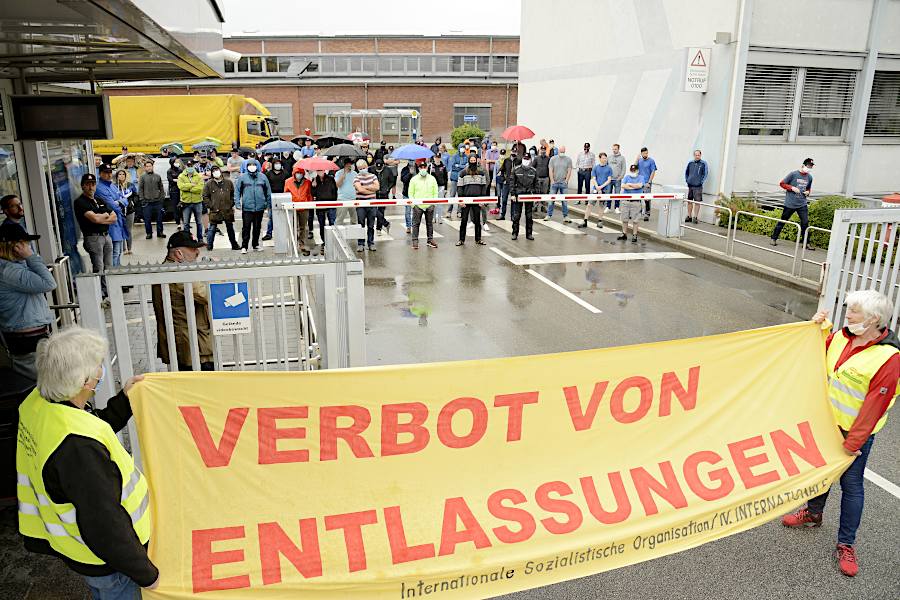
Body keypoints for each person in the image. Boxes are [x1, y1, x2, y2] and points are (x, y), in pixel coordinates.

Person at [17, 326, 158, 599]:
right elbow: (104, 523)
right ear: (85, 382)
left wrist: (124, 400)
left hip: (77, 548)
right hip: (111, 564)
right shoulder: (78, 448)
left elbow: (88, 427)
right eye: (98, 366)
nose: (101, 370)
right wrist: (147, 574)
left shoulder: (38, 405)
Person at [782, 290, 898, 577]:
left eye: (854, 310)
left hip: (853, 434)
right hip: (825, 423)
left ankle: (846, 543)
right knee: (821, 472)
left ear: (873, 319)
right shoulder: (842, 337)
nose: (847, 314)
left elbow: (875, 405)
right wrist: (816, 328)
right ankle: (813, 513)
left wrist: (853, 442)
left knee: (852, 485)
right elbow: (816, 353)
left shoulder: (889, 357)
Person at [151, 231, 212, 371]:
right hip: (191, 345)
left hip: (185, 343)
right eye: (192, 249)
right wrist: (216, 275)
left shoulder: (167, 268)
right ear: (179, 254)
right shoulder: (177, 274)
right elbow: (207, 295)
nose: (197, 253)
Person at [0, 226, 55, 380]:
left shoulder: (13, 267)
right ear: (15, 246)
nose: (29, 248)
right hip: (27, 340)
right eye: (25, 244)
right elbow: (49, 283)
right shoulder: (10, 272)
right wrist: (31, 257)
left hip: (27, 338)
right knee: (44, 386)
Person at [75, 172, 114, 298]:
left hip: (106, 235)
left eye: (93, 184)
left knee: (108, 265)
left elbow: (114, 217)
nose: (91, 187)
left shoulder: (99, 200)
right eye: (88, 184)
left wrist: (102, 217)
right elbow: (94, 219)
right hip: (93, 237)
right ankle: (100, 292)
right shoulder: (80, 202)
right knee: (99, 266)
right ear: (83, 186)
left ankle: (108, 289)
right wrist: (104, 216)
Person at [771, 158, 815, 250]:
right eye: (808, 166)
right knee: (783, 221)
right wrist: (791, 188)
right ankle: (774, 238)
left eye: (811, 167)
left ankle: (806, 243)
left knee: (805, 223)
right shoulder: (793, 174)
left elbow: (808, 188)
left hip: (802, 204)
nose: (809, 168)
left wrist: (808, 192)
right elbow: (782, 183)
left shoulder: (809, 177)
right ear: (803, 166)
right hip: (790, 204)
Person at [234, 159, 271, 254]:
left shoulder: (263, 177)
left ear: (257, 166)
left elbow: (268, 191)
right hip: (247, 207)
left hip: (260, 207)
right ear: (246, 166)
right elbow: (237, 191)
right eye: (249, 165)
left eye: (253, 164)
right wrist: (237, 203)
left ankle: (255, 245)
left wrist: (268, 203)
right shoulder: (242, 177)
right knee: (246, 227)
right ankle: (244, 246)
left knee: (257, 227)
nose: (252, 166)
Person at [203, 166, 240, 251]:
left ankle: (234, 245)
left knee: (230, 227)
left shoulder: (228, 182)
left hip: (227, 209)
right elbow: (205, 196)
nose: (216, 172)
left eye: (217, 170)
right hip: (215, 210)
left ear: (220, 171)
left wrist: (231, 204)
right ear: (212, 174)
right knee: (212, 228)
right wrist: (211, 205)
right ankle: (209, 245)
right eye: (214, 171)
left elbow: (232, 195)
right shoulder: (209, 184)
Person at [456, 154, 488, 247]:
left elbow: (483, 187)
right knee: (464, 220)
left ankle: (478, 239)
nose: (473, 162)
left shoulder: (481, 173)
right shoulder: (463, 173)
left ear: (476, 161)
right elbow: (460, 187)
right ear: (469, 161)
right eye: (471, 160)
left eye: (474, 161)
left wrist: (482, 200)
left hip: (477, 200)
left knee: (477, 220)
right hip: (466, 200)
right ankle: (461, 240)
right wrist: (461, 200)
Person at [408, 159, 438, 250]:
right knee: (416, 224)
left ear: (427, 167)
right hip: (418, 206)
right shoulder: (414, 179)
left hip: (429, 205)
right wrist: (414, 205)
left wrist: (433, 204)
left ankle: (430, 240)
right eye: (421, 167)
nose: (423, 169)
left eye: (424, 167)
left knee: (429, 224)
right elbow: (410, 193)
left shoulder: (432, 178)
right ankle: (415, 241)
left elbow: (435, 192)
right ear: (419, 168)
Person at [283, 164, 312, 255]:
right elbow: (285, 194)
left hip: (304, 207)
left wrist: (309, 204)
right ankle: (294, 243)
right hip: (293, 207)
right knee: (293, 227)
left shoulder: (307, 182)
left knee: (303, 227)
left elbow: (309, 194)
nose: (299, 174)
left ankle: (302, 244)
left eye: (301, 173)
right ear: (294, 173)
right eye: (297, 173)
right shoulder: (288, 181)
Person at [353, 159, 379, 252]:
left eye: (363, 168)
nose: (362, 170)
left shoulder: (373, 176)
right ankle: (360, 244)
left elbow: (377, 187)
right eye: (360, 168)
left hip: (372, 203)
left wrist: (365, 187)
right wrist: (370, 189)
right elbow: (360, 190)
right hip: (361, 203)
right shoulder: (356, 177)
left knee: (371, 225)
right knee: (361, 224)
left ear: (367, 167)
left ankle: (371, 243)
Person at [510, 153, 537, 241]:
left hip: (529, 195)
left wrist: (535, 194)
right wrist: (513, 194)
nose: (526, 160)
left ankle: (529, 234)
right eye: (524, 158)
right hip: (518, 194)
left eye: (527, 159)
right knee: (516, 215)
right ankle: (514, 233)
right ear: (522, 159)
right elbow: (512, 183)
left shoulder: (533, 171)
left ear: (530, 160)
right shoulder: (516, 169)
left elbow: (536, 184)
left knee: (529, 216)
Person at [262, 157, 290, 241]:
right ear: (273, 165)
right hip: (272, 196)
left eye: (279, 163)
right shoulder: (268, 174)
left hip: (283, 196)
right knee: (272, 216)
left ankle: (285, 232)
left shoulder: (285, 173)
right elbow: (265, 186)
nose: (278, 165)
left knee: (284, 215)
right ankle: (269, 233)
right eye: (276, 163)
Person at [177, 159, 205, 240]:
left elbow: (200, 188)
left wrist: (188, 188)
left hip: (197, 202)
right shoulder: (181, 176)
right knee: (186, 223)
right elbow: (181, 187)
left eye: (191, 166)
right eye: (188, 166)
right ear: (186, 166)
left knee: (199, 222)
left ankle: (200, 238)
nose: (190, 167)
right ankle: (187, 239)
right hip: (186, 203)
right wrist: (192, 185)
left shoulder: (199, 176)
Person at [108, 172, 131, 267]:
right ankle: (115, 270)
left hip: (120, 220)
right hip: (114, 224)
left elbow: (124, 200)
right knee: (116, 251)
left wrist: (120, 202)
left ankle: (117, 267)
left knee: (119, 250)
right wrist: (119, 203)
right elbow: (113, 205)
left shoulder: (113, 187)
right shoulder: (110, 188)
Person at [583, 153, 612, 229]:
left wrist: (601, 187)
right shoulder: (596, 168)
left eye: (605, 158)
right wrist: (597, 187)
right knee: (589, 205)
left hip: (604, 189)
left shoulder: (609, 168)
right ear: (600, 159)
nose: (604, 159)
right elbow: (593, 178)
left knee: (601, 206)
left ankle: (600, 221)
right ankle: (585, 220)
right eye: (603, 158)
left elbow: (609, 180)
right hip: (596, 189)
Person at [138, 160, 166, 239]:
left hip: (157, 202)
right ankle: (149, 233)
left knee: (159, 219)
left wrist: (161, 198)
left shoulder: (157, 176)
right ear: (145, 168)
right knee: (147, 219)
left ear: (152, 167)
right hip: (147, 202)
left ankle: (160, 232)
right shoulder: (143, 177)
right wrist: (142, 199)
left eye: (150, 166)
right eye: (147, 166)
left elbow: (161, 188)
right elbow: (140, 189)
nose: (149, 168)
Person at [618, 164, 645, 243]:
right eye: (631, 170)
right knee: (624, 219)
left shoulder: (641, 177)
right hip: (626, 201)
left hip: (636, 202)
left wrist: (629, 185)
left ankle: (634, 235)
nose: (633, 172)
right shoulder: (627, 177)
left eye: (634, 170)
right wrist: (634, 186)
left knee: (635, 220)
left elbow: (640, 186)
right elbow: (623, 186)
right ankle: (624, 234)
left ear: (637, 171)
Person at [311, 170, 338, 248]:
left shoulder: (330, 178)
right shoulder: (315, 180)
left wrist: (334, 202)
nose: (320, 172)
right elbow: (313, 194)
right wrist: (313, 186)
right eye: (318, 170)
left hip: (331, 204)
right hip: (320, 205)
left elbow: (335, 190)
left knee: (332, 223)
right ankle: (324, 241)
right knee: (321, 224)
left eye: (321, 170)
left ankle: (333, 240)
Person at [113, 169, 136, 256]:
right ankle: (123, 249)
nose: (121, 176)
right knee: (121, 229)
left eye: (123, 174)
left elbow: (135, 195)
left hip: (130, 211)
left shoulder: (130, 185)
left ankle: (129, 248)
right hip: (119, 211)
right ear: (117, 176)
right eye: (120, 174)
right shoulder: (114, 186)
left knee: (128, 230)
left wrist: (133, 203)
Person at [548, 145, 573, 220]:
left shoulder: (568, 159)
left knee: (564, 201)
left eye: (563, 152)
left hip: (563, 183)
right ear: (558, 151)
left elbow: (569, 171)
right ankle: (549, 215)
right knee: (551, 200)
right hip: (554, 183)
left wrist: (566, 181)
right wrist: (552, 180)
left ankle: (565, 216)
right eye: (561, 151)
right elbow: (550, 170)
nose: (562, 153)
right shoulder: (553, 159)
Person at [373, 159, 396, 235]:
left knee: (381, 211)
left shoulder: (388, 170)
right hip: (374, 193)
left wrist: (387, 188)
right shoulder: (371, 169)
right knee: (373, 210)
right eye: (377, 167)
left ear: (383, 165)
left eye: (380, 167)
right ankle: (386, 223)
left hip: (384, 194)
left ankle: (378, 228)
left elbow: (392, 181)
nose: (378, 169)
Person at [637, 147, 658, 221]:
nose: (646, 154)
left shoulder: (651, 161)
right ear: (641, 153)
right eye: (644, 153)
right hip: (639, 182)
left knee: (647, 199)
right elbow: (634, 168)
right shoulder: (639, 160)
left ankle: (647, 214)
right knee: (638, 198)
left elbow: (653, 171)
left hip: (647, 182)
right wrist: (636, 159)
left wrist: (649, 182)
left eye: (647, 153)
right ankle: (638, 213)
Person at [429, 154, 448, 225]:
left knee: (440, 203)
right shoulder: (431, 166)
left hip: (441, 186)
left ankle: (440, 218)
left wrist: (445, 188)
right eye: (436, 157)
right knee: (433, 203)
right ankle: (433, 217)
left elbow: (446, 178)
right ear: (434, 158)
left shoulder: (443, 167)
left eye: (438, 158)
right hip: (433, 187)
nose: (437, 159)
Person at [608, 143, 626, 213]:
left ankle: (617, 208)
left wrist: (620, 177)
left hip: (617, 179)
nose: (614, 150)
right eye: (613, 149)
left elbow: (623, 169)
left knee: (617, 194)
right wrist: (607, 177)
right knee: (608, 193)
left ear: (618, 149)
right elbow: (607, 167)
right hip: (610, 179)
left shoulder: (622, 158)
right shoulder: (609, 157)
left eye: (615, 149)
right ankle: (608, 207)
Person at [498, 149, 515, 220]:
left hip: (514, 183)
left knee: (513, 200)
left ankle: (513, 216)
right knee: (504, 199)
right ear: (511, 152)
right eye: (513, 151)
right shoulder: (506, 160)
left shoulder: (518, 161)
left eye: (515, 151)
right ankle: (502, 215)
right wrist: (503, 179)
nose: (514, 153)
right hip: (506, 183)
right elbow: (502, 170)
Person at [166, 157, 183, 225]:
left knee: (183, 206)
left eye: (177, 162)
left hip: (181, 190)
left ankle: (184, 221)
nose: (177, 163)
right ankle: (178, 222)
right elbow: (171, 180)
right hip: (174, 191)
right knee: (175, 207)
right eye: (175, 162)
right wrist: (177, 180)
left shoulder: (180, 170)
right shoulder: (169, 171)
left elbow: (183, 178)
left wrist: (176, 180)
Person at [399, 162, 415, 232]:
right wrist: (410, 173)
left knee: (416, 211)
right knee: (408, 211)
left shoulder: (418, 168)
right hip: (407, 193)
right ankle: (409, 226)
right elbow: (403, 180)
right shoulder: (404, 169)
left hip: (416, 193)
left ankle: (414, 225)